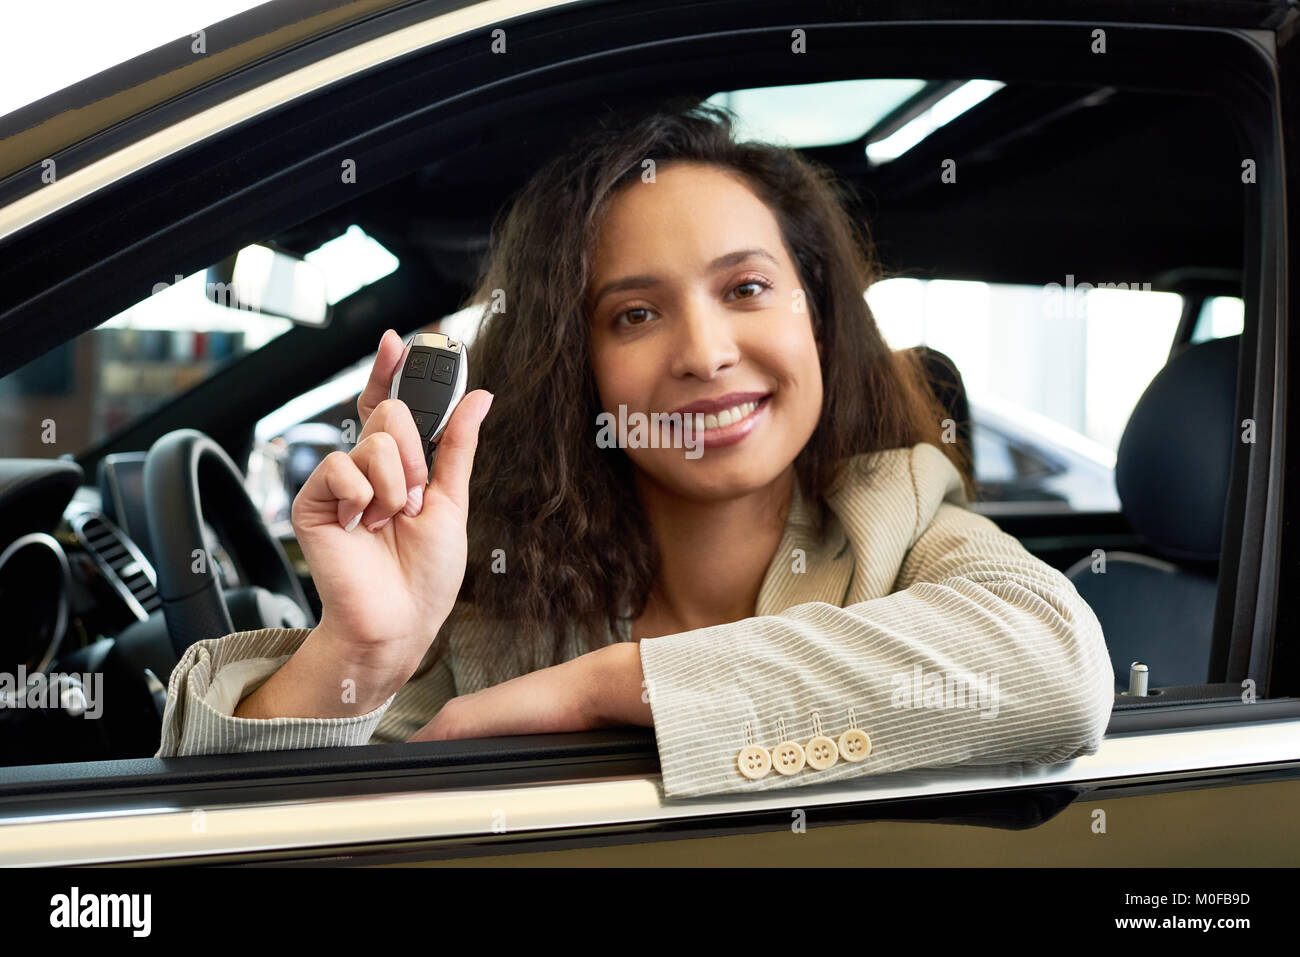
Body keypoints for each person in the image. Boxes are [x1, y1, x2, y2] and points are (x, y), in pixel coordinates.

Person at [155, 103, 1114, 799]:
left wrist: (606, 687)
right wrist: (359, 649)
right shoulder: (505, 605)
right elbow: (224, 828)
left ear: (816, 318)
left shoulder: (902, 515)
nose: (704, 353)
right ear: (579, 367)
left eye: (746, 289)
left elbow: (1055, 664)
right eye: (637, 313)